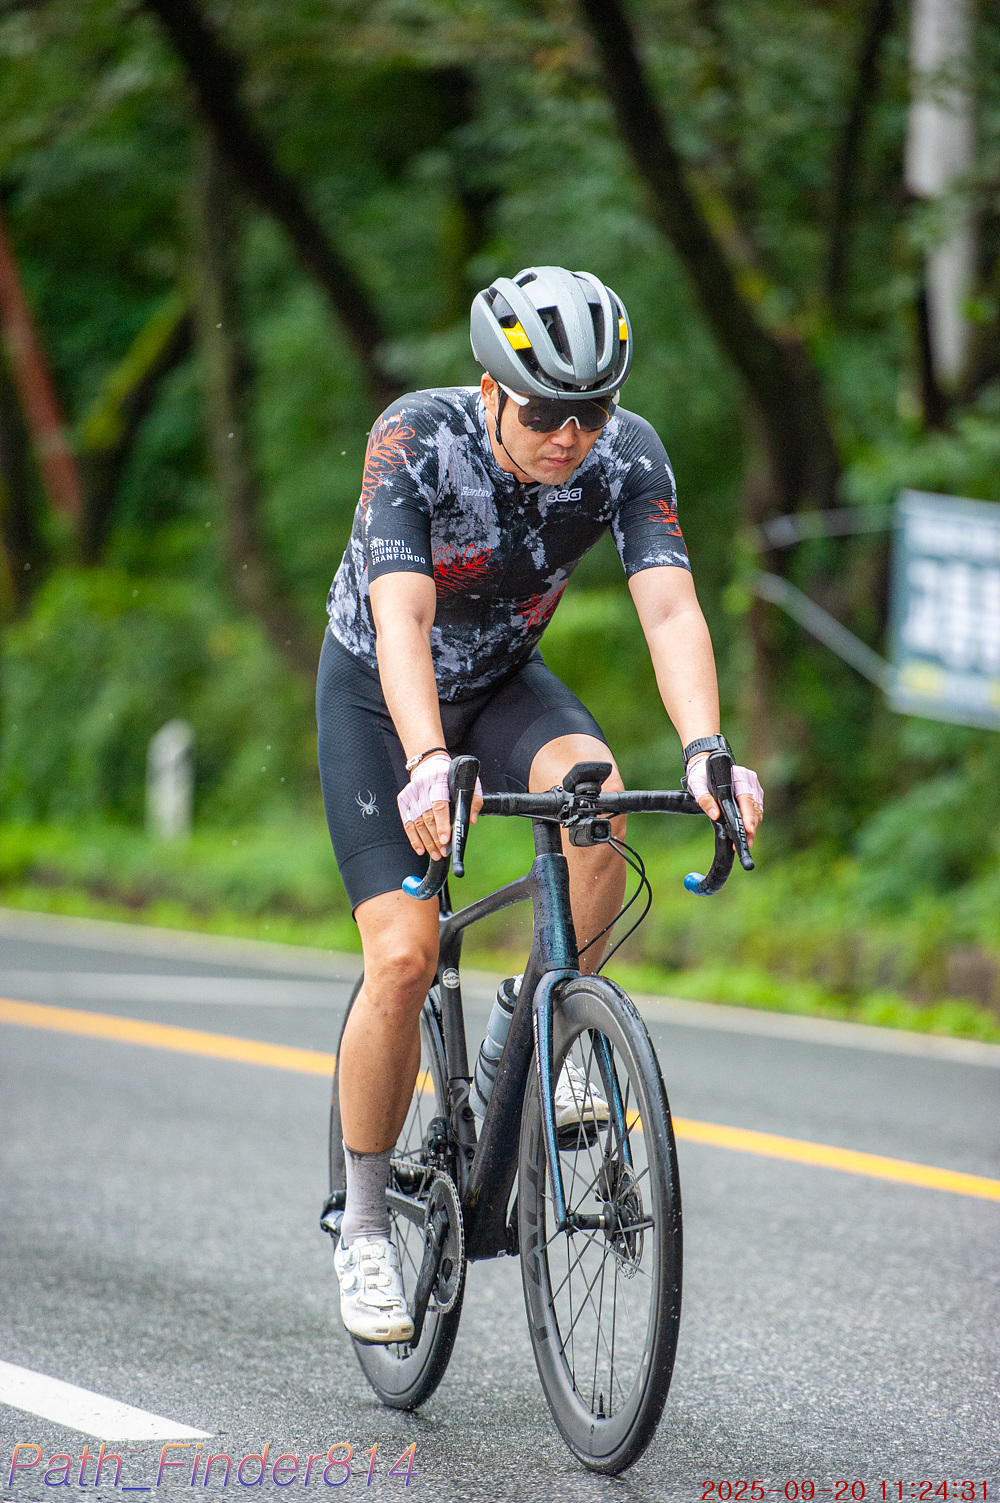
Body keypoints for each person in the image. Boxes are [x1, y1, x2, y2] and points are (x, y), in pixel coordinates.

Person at [317, 265, 763, 1343]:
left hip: (505, 680)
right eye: (545, 413)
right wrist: (428, 759)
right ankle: (365, 1225)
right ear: (489, 389)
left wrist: (707, 751)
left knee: (595, 799)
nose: (570, 437)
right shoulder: (416, 439)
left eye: (590, 413)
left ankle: (543, 1013)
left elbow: (669, 609)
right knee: (403, 959)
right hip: (382, 696)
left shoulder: (626, 453)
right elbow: (401, 616)